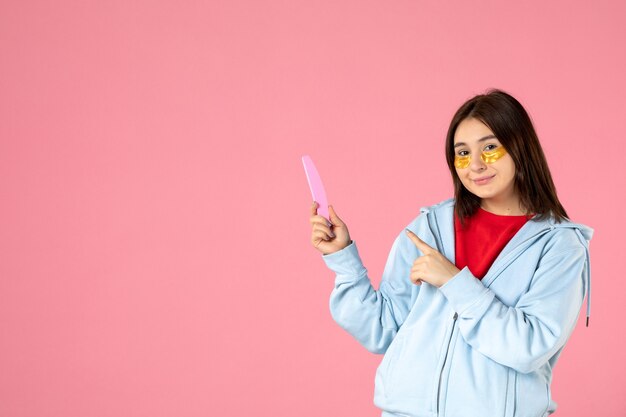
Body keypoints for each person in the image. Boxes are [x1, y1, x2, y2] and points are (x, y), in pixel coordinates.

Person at [308, 89, 592, 417]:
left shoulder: (559, 246)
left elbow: (528, 347)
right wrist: (344, 259)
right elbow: (381, 328)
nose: (474, 165)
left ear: (519, 148)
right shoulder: (429, 227)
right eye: (462, 152)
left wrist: (454, 282)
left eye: (489, 148)